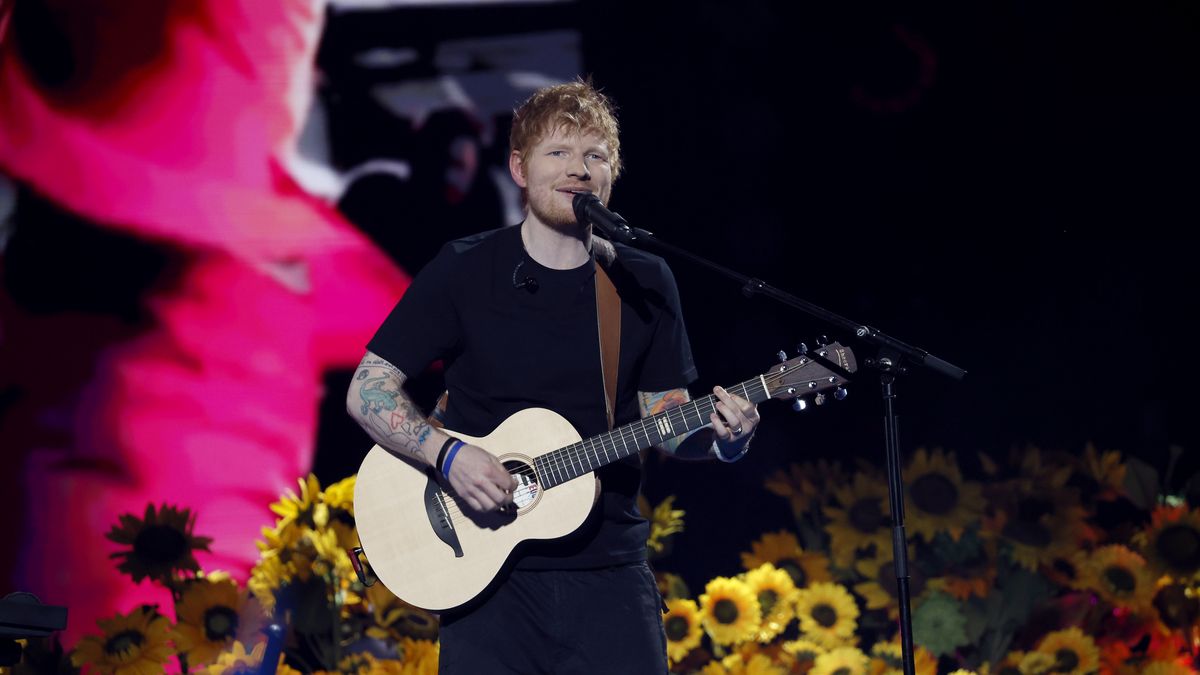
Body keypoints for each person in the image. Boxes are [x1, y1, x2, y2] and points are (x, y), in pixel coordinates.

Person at [346, 79, 760, 674]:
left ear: (612, 176)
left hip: (609, 577)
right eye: (559, 153)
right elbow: (369, 388)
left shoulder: (643, 283)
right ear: (519, 167)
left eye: (596, 156)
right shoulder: (465, 269)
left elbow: (667, 426)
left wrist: (728, 440)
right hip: (484, 578)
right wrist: (450, 457)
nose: (579, 171)